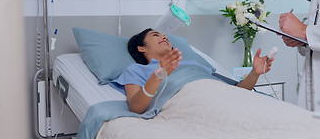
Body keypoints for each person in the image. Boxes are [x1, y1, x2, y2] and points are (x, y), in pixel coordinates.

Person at [113, 28, 274, 114]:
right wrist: (159, 75)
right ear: (141, 47)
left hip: (226, 100)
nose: (164, 37)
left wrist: (254, 73)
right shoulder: (137, 69)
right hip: (192, 104)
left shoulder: (192, 64)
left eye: (165, 36)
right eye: (156, 35)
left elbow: (236, 92)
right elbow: (135, 107)